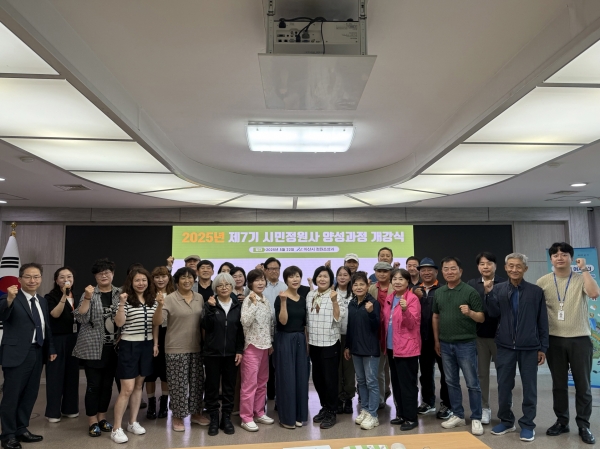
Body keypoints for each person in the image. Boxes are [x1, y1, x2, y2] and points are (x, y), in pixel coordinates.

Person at [537, 242, 600, 445]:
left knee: (583, 385)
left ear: (571, 258)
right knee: (559, 385)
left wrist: (584, 270)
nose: (559, 257)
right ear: (551, 259)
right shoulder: (543, 282)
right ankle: (562, 421)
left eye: (564, 254)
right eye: (555, 255)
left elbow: (594, 293)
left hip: (580, 339)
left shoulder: (581, 278)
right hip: (554, 339)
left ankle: (583, 425)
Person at [488, 253, 549, 442]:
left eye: (519, 266)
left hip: (529, 347)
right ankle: (506, 421)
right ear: (506, 268)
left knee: (530, 387)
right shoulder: (498, 289)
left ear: (525, 269)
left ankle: (528, 425)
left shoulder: (535, 291)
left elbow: (542, 321)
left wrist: (543, 347)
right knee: (504, 385)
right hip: (505, 346)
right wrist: (489, 294)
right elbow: (493, 314)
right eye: (511, 266)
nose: (514, 269)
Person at [0, 263, 56, 449]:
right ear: (20, 279)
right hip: (16, 353)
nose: (33, 280)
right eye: (28, 276)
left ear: (41, 278)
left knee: (30, 394)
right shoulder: (11, 297)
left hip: (37, 351)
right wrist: (9, 298)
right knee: (11, 396)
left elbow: (46, 327)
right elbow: (3, 313)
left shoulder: (42, 301)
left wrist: (50, 348)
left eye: (36, 276)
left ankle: (21, 429)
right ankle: (7, 435)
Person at [433, 256, 485, 436]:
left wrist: (470, 312)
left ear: (460, 271)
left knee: (472, 382)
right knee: (451, 382)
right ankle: (458, 415)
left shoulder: (470, 291)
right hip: (445, 344)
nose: (449, 272)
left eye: (453, 268)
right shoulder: (439, 292)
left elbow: (481, 317)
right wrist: (437, 341)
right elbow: (436, 316)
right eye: (446, 269)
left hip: (466, 344)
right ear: (442, 272)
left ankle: (476, 417)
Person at [73, 258, 120, 438]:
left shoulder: (120, 293)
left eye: (107, 272)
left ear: (112, 274)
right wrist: (87, 297)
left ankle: (102, 418)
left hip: (113, 348)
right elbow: (81, 317)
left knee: (107, 386)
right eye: (100, 273)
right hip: (93, 347)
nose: (103, 275)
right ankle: (92, 421)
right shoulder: (90, 293)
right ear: (95, 276)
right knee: (93, 385)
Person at [110, 268, 159, 444]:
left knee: (139, 386)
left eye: (144, 280)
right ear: (131, 282)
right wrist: (121, 304)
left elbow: (155, 324)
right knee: (127, 389)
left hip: (146, 345)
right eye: (137, 280)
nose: (141, 283)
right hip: (129, 345)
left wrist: (155, 344)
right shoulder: (125, 299)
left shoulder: (153, 300)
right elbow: (119, 323)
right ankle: (116, 428)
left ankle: (132, 422)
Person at [154, 267, 205, 431]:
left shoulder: (199, 297)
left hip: (196, 347)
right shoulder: (169, 299)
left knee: (197, 383)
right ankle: (178, 416)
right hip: (175, 347)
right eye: (183, 277)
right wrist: (159, 306)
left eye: (190, 277)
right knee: (178, 385)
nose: (187, 280)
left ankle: (196, 414)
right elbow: (157, 322)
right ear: (176, 281)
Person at [202, 272, 243, 436]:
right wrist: (211, 309)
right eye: (220, 285)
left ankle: (226, 417)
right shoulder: (210, 304)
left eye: (227, 285)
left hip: (231, 354)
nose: (224, 288)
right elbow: (206, 326)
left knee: (229, 387)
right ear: (215, 288)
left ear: (232, 287)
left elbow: (240, 331)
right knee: (211, 387)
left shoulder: (237, 306)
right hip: (212, 353)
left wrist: (239, 350)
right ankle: (213, 417)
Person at [467, 252, 506, 425]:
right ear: (478, 267)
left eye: (489, 263)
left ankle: (505, 409)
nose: (485, 266)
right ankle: (484, 408)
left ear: (495, 266)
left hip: (501, 337)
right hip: (479, 336)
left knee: (503, 375)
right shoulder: (472, 284)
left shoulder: (504, 283)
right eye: (482, 264)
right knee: (481, 374)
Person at [307, 266, 346, 429]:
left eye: (325, 276)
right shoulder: (310, 295)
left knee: (330, 380)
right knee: (318, 378)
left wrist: (335, 301)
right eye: (319, 276)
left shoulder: (336, 296)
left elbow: (339, 318)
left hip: (330, 343)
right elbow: (308, 319)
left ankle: (332, 411)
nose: (322, 279)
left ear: (331, 280)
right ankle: (324, 406)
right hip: (314, 343)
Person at [382, 268, 421, 431]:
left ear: (407, 282)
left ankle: (411, 418)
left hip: (407, 348)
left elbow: (412, 324)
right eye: (395, 279)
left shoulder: (412, 299)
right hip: (392, 348)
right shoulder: (390, 298)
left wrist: (405, 310)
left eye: (401, 279)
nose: (397, 282)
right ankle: (401, 414)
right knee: (397, 384)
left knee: (408, 385)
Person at [415, 257, 452, 419]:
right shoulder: (414, 290)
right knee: (425, 373)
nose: (426, 272)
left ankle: (447, 404)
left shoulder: (444, 289)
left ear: (437, 272)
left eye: (430, 269)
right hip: (421, 339)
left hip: (441, 338)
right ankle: (428, 402)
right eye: (423, 270)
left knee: (446, 373)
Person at [240, 269, 275, 432]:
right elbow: (245, 322)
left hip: (265, 346)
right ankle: (246, 417)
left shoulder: (265, 299)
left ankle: (259, 412)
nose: (260, 283)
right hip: (251, 347)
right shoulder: (249, 299)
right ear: (250, 283)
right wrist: (253, 304)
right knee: (249, 384)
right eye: (257, 280)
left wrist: (270, 342)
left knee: (262, 382)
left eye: (262, 280)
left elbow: (269, 324)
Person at [274, 266, 309, 429]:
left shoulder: (303, 299)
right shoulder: (280, 298)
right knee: (287, 378)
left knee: (301, 378)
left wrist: (307, 344)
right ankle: (287, 418)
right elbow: (282, 321)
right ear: (286, 280)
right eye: (291, 276)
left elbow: (304, 324)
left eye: (297, 276)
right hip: (285, 339)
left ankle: (299, 415)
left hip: (300, 339)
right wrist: (283, 302)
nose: (295, 279)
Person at [345, 271, 380, 430]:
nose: (358, 287)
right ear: (352, 287)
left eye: (362, 284)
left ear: (367, 286)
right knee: (361, 381)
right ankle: (365, 410)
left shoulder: (373, 303)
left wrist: (371, 313)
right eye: (356, 284)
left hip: (370, 349)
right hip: (356, 349)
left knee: (371, 382)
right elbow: (350, 327)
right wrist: (348, 346)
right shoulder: (352, 304)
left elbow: (377, 327)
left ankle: (373, 415)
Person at [44, 267, 80, 423]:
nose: (66, 279)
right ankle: (53, 412)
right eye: (62, 277)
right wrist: (64, 296)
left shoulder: (78, 296)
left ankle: (70, 409)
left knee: (72, 375)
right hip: (57, 339)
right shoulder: (50, 297)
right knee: (55, 376)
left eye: (69, 276)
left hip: (74, 339)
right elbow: (55, 314)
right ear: (56, 280)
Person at [145, 266, 175, 420]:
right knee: (150, 373)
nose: (160, 280)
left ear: (169, 278)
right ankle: (151, 403)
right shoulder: (147, 295)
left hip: (169, 335)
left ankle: (164, 403)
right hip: (150, 335)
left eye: (163, 276)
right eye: (157, 277)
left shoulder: (174, 294)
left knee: (165, 373)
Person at [368, 262, 394, 409]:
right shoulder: (371, 288)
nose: (382, 274)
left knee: (393, 369)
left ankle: (398, 400)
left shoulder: (396, 287)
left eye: (385, 271)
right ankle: (380, 399)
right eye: (379, 271)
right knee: (378, 369)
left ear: (390, 273)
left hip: (393, 333)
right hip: (376, 333)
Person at [261, 257, 285, 401]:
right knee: (266, 365)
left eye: (277, 269)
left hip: (280, 330)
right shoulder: (261, 286)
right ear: (265, 270)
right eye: (271, 269)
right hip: (263, 332)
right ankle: (268, 395)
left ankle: (277, 395)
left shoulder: (285, 286)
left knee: (279, 364)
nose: (274, 271)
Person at [336, 266, 355, 414]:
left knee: (349, 369)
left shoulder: (354, 294)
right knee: (336, 369)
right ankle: (338, 398)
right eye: (340, 275)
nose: (342, 277)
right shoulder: (331, 293)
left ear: (350, 277)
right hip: (334, 336)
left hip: (350, 336)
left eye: (345, 275)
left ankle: (348, 398)